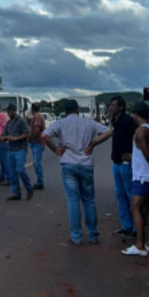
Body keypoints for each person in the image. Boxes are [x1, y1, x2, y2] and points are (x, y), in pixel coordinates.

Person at [42, 99, 112, 246]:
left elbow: (44, 136)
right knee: (89, 201)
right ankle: (93, 235)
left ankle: (76, 236)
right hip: (86, 164)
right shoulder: (88, 123)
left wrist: (55, 149)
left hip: (68, 164)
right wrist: (92, 144)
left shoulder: (60, 123)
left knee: (73, 201)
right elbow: (108, 131)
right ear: (78, 110)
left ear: (65, 111)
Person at [123, 102, 149, 257]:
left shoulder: (140, 131)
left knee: (135, 208)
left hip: (143, 177)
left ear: (136, 114)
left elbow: (147, 154)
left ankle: (140, 245)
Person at [108, 96, 138, 238]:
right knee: (120, 195)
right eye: (110, 105)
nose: (111, 107)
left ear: (121, 107)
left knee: (130, 195)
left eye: (113, 105)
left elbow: (138, 139)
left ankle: (136, 227)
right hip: (116, 163)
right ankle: (126, 226)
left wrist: (133, 154)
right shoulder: (116, 121)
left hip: (126, 165)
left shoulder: (128, 122)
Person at [2, 104, 33, 201]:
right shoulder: (8, 123)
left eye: (9, 111)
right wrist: (4, 138)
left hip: (20, 148)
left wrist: (15, 138)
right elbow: (4, 134)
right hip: (10, 149)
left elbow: (27, 134)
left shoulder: (22, 121)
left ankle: (29, 188)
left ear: (14, 110)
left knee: (20, 170)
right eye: (7, 111)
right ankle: (16, 193)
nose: (8, 113)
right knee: (12, 173)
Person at [29, 104, 46, 190]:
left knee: (37, 163)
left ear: (32, 109)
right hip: (37, 142)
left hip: (37, 142)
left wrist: (32, 137)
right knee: (37, 163)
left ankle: (40, 183)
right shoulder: (38, 116)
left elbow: (36, 129)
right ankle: (40, 182)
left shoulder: (37, 116)